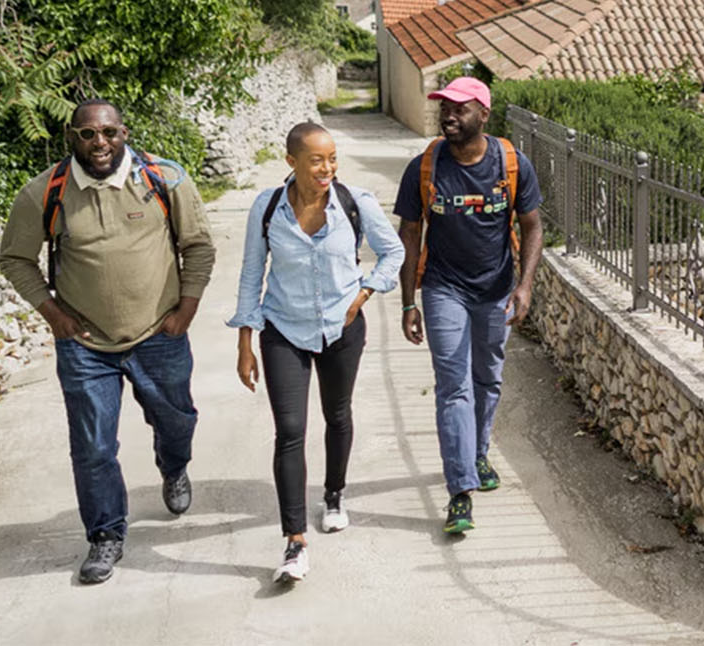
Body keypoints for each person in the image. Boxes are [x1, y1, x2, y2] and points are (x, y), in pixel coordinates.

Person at [0, 99, 215, 584]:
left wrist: (187, 308)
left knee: (178, 421)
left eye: (110, 134)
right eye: (88, 134)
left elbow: (198, 245)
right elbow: (14, 258)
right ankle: (105, 536)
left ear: (125, 133)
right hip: (86, 345)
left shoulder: (165, 179)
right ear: (71, 137)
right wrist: (53, 314)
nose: (100, 144)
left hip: (159, 333)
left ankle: (173, 465)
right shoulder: (45, 192)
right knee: (93, 447)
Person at [230, 122, 404, 583]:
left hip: (341, 328)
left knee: (337, 414)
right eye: (316, 160)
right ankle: (294, 542)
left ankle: (333, 495)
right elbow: (251, 274)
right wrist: (245, 341)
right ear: (292, 162)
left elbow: (394, 253)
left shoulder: (355, 202)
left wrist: (362, 295)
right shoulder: (267, 208)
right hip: (282, 328)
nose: (327, 168)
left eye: (332, 159)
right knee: (289, 429)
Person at [394, 77, 541, 535]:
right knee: (453, 384)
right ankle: (460, 491)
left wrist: (525, 285)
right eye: (444, 107)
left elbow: (532, 226)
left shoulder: (512, 164)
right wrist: (408, 302)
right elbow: (410, 235)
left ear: (484, 114)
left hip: (496, 289)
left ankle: (476, 453)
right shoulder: (424, 167)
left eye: (459, 108)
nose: (448, 115)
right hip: (444, 288)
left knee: (487, 377)